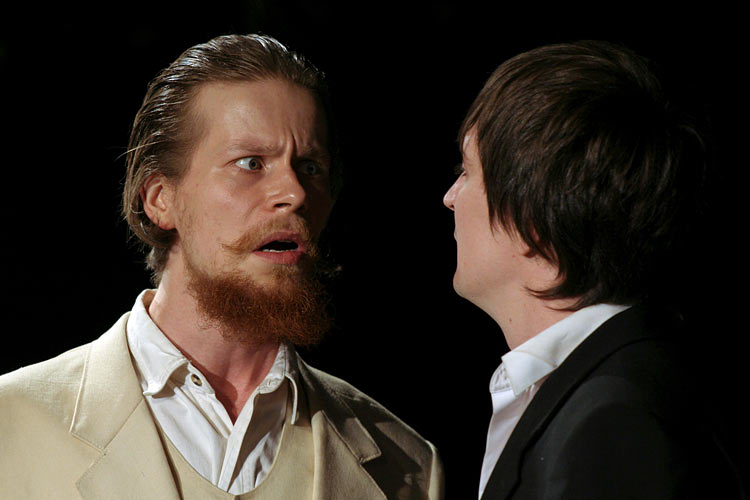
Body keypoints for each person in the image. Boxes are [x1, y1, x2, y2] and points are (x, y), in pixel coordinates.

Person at [0, 34, 442, 499]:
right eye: (251, 163)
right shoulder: (10, 425)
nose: (295, 193)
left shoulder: (407, 465)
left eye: (311, 167)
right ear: (161, 200)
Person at [443, 41, 745, 500]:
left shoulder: (614, 420)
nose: (450, 197)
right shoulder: (608, 388)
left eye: (467, 171)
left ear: (530, 227)